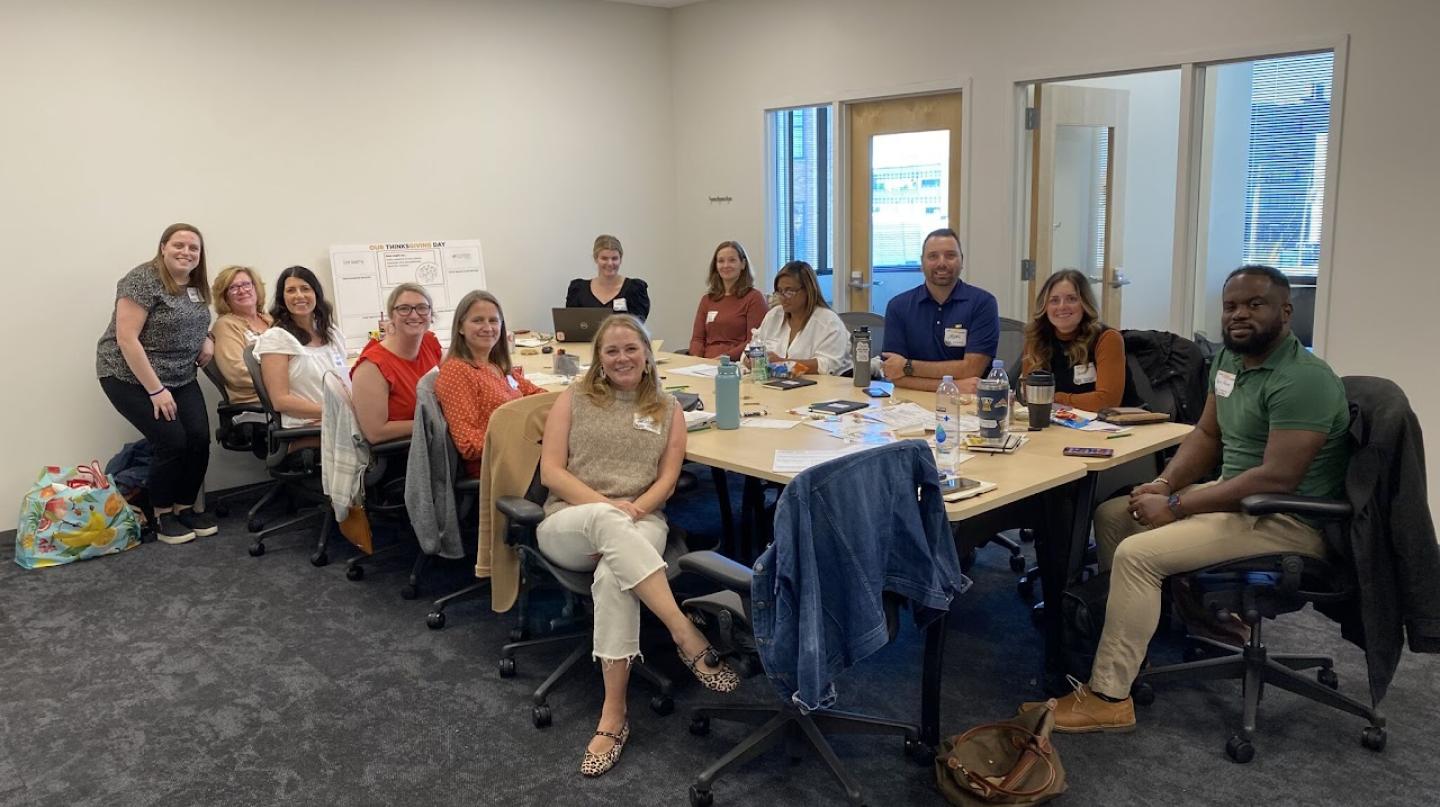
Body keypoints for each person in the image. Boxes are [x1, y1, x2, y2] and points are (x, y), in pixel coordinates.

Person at [1030, 265, 1351, 734]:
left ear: (1285, 311)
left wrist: (1178, 506)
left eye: (1254, 304)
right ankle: (1125, 646)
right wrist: (1163, 486)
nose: (1239, 314)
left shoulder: (1304, 379)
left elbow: (1278, 479)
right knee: (1116, 515)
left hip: (1284, 517)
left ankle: (1109, 696)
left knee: (1138, 555)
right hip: (1234, 500)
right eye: (1230, 306)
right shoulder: (1229, 362)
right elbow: (1206, 434)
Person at [537, 315, 739, 777]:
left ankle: (613, 716)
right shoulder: (574, 398)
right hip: (570, 518)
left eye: (631, 348)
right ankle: (683, 630)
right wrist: (610, 508)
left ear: (647, 354)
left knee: (614, 578)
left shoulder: (669, 409)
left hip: (642, 520)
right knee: (608, 525)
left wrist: (631, 511)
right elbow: (552, 473)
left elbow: (667, 481)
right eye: (612, 351)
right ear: (600, 361)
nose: (623, 357)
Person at [95, 223, 218, 545]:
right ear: (163, 247)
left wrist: (209, 338)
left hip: (180, 375)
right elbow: (127, 339)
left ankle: (184, 508)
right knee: (172, 441)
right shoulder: (142, 279)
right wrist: (155, 390)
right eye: (179, 245)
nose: (186, 252)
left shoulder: (196, 284)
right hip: (128, 375)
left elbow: (196, 322)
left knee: (199, 438)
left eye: (194, 248)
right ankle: (161, 514)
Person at [435, 290, 545, 478]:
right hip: (497, 469)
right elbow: (468, 444)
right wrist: (525, 434)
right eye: (478, 320)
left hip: (523, 453)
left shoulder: (495, 366)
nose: (487, 327)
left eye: (493, 321)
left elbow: (539, 395)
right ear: (460, 327)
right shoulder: (457, 371)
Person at [880, 228, 1000, 392]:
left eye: (950, 255)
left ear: (962, 261)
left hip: (967, 405)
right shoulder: (898, 306)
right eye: (933, 256)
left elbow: (972, 370)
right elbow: (893, 374)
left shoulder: (983, 303)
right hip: (911, 403)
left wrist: (907, 366)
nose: (941, 263)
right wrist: (954, 386)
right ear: (922, 263)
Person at [252, 266, 348, 433]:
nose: (299, 295)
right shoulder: (276, 339)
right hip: (309, 428)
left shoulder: (332, 333)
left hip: (341, 421)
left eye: (305, 289)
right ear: (283, 298)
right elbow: (281, 401)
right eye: (291, 290)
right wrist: (335, 412)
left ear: (316, 294)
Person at [1019, 268, 1126, 410]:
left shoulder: (1107, 338)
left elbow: (1107, 401)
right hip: (1060, 422)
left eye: (1072, 299)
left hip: (1113, 425)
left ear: (1085, 304)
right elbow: (1029, 394)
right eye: (1054, 300)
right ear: (1044, 306)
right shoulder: (1036, 338)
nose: (1062, 306)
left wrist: (1054, 398)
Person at [351, 283, 442, 445]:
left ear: (430, 314)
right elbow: (375, 432)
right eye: (404, 309)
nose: (414, 315)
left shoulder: (429, 342)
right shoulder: (372, 366)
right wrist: (437, 423)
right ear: (391, 316)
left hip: (433, 443)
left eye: (422, 308)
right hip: (402, 454)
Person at [751, 260, 851, 376]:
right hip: (779, 384)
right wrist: (749, 360)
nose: (783, 297)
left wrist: (783, 363)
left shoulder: (828, 321)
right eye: (779, 291)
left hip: (819, 387)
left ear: (808, 291)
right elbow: (753, 345)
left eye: (789, 291)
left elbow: (827, 365)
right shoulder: (774, 315)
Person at [688, 240, 767, 360]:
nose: (726, 265)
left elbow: (754, 341)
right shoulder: (707, 300)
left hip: (735, 364)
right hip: (704, 364)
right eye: (721, 261)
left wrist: (723, 358)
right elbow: (697, 339)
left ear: (743, 264)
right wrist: (696, 360)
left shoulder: (754, 298)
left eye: (732, 260)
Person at [208, 265, 272, 408]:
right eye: (233, 288)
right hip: (258, 403)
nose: (242, 291)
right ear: (225, 297)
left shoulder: (272, 320)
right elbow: (237, 373)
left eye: (246, 284)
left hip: (288, 393)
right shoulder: (225, 326)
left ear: (256, 288)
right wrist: (283, 380)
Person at [566, 234, 650, 321]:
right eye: (604, 258)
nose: (610, 263)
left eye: (614, 258)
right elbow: (571, 324)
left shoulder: (635, 290)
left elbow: (637, 327)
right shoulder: (578, 290)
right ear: (595, 259)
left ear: (620, 259)